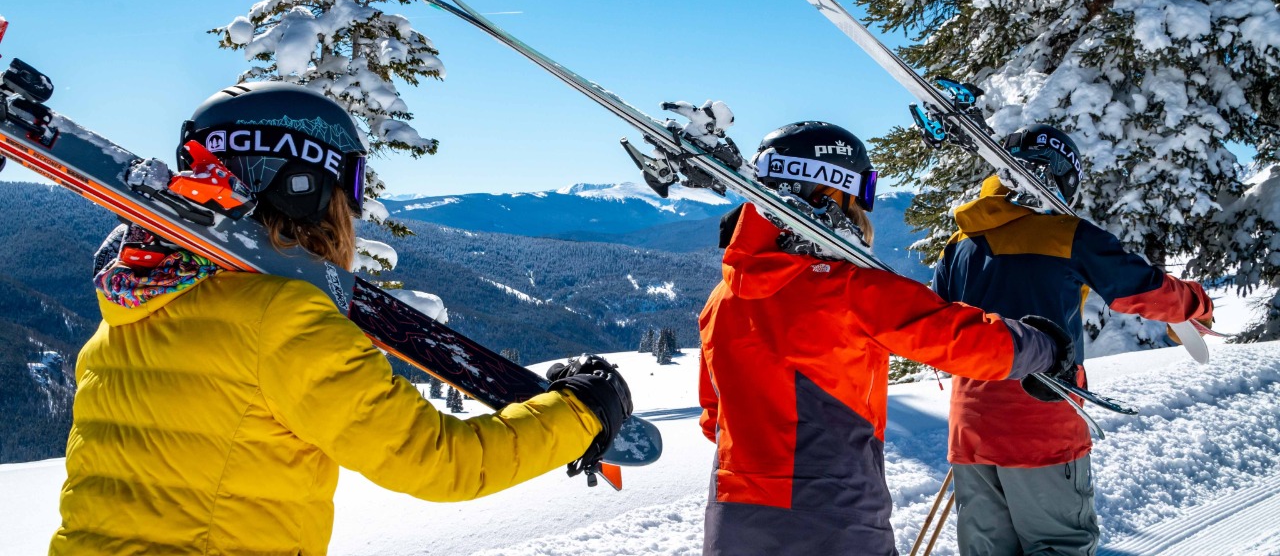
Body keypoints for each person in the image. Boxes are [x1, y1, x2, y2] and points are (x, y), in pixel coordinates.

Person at [49, 81, 633, 556]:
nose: (353, 210)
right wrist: (579, 413)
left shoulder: (131, 307)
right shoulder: (285, 318)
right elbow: (439, 460)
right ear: (301, 185)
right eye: (347, 184)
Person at [697, 120, 1075, 556]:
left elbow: (714, 416)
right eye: (860, 198)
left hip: (732, 516)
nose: (863, 214)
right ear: (827, 194)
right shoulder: (851, 289)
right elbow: (958, 338)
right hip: (832, 513)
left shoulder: (721, 298)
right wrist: (1045, 346)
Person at [934, 123, 1214, 556]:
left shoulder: (959, 243)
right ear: (1065, 181)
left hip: (970, 426)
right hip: (1041, 422)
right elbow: (1143, 290)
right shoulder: (1067, 234)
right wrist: (1195, 302)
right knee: (1059, 544)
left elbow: (938, 326)